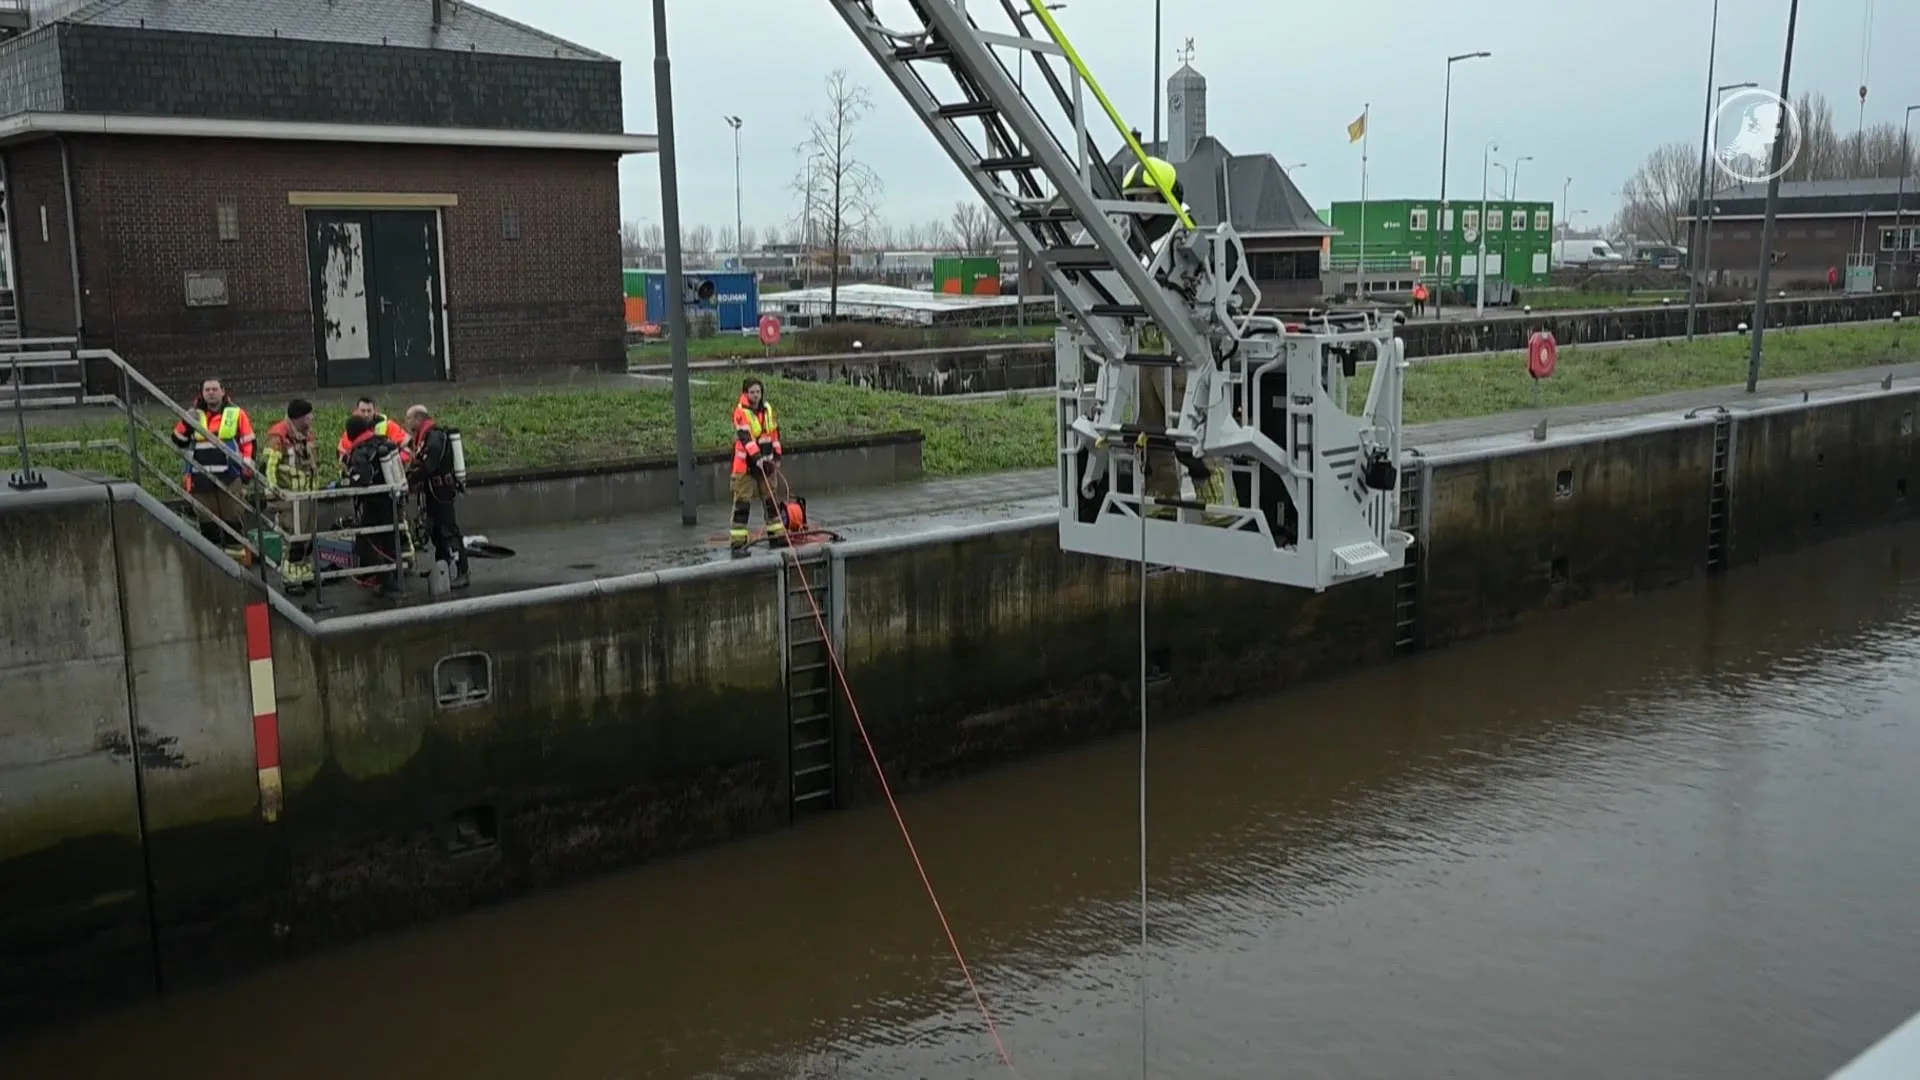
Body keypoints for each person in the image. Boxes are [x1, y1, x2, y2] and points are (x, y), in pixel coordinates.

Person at [1115, 155, 1229, 520]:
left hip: (1181, 349)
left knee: (1192, 433)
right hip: (1145, 349)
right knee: (1151, 433)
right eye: (1136, 199)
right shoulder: (1131, 237)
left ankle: (1219, 505)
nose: (1142, 206)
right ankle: (1162, 501)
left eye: (1149, 198)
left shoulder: (1183, 235)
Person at [170, 377, 255, 546]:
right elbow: (178, 441)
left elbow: (248, 442)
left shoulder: (236, 414)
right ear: (202, 393)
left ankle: (234, 557)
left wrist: (247, 468)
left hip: (229, 477)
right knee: (207, 523)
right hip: (200, 478)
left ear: (223, 391)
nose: (211, 393)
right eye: (207, 390)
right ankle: (213, 557)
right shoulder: (194, 414)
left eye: (215, 389)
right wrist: (185, 421)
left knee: (233, 520)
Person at [403, 404, 469, 589]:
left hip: (442, 492)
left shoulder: (434, 437)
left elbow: (428, 466)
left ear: (419, 419)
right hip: (432, 491)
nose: (407, 422)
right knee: (436, 531)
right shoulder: (424, 437)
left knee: (449, 531)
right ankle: (441, 566)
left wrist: (410, 479)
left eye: (409, 418)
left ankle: (463, 572)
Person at [340, 414, 404, 598]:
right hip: (393, 500)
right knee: (390, 543)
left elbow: (361, 480)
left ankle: (388, 582)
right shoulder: (383, 441)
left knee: (364, 544)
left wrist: (347, 477)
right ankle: (395, 580)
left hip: (375, 504)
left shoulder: (360, 451)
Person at [264, 399, 320, 587]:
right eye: (309, 415)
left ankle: (305, 573)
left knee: (308, 538)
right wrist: (273, 493)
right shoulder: (278, 436)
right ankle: (291, 578)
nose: (312, 418)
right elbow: (269, 467)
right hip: (289, 498)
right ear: (300, 417)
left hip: (308, 495)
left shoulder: (308, 435)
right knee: (294, 539)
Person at [729, 377, 786, 554]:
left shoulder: (767, 410)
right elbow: (746, 438)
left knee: (771, 502)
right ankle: (738, 542)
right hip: (745, 465)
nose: (756, 395)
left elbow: (774, 434)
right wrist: (757, 457)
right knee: (742, 504)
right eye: (752, 392)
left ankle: (776, 536)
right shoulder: (741, 412)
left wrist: (777, 456)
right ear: (746, 393)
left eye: (758, 392)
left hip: (766, 464)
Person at [337, 395, 408, 467]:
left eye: (369, 411)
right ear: (357, 411)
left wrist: (400, 462)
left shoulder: (389, 426)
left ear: (375, 411)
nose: (366, 414)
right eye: (363, 411)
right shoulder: (351, 431)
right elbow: (342, 453)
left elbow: (406, 444)